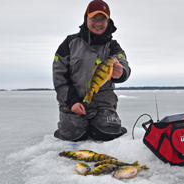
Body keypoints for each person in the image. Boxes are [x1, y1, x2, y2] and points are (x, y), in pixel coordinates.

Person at [52, 0, 131, 142]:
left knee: (107, 134)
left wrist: (121, 73)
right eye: (94, 18)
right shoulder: (69, 43)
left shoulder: (113, 47)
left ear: (108, 21)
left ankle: (108, 126)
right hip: (73, 103)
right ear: (86, 18)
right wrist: (72, 102)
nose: (98, 23)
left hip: (102, 103)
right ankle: (68, 127)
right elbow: (59, 76)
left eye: (103, 19)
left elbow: (124, 64)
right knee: (74, 136)